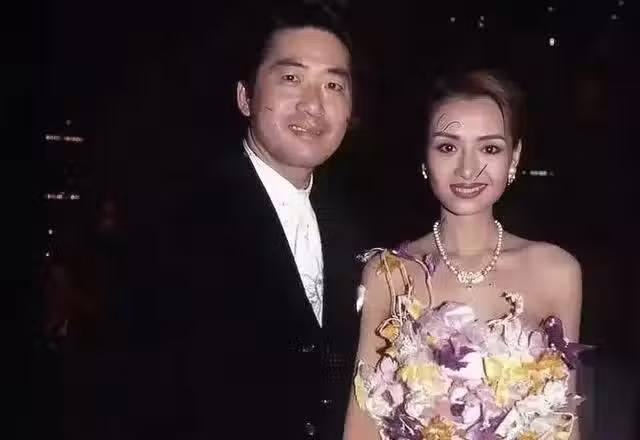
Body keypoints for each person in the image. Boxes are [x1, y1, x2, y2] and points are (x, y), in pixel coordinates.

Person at [78, 3, 367, 440]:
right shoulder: (176, 218)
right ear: (245, 97)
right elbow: (129, 387)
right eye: (291, 78)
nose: (313, 104)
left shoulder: (353, 229)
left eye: (333, 85)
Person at [343, 70, 584, 439]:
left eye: (489, 148)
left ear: (514, 157)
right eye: (447, 147)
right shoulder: (388, 273)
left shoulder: (557, 272)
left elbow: (565, 420)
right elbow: (362, 421)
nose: (468, 169)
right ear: (425, 157)